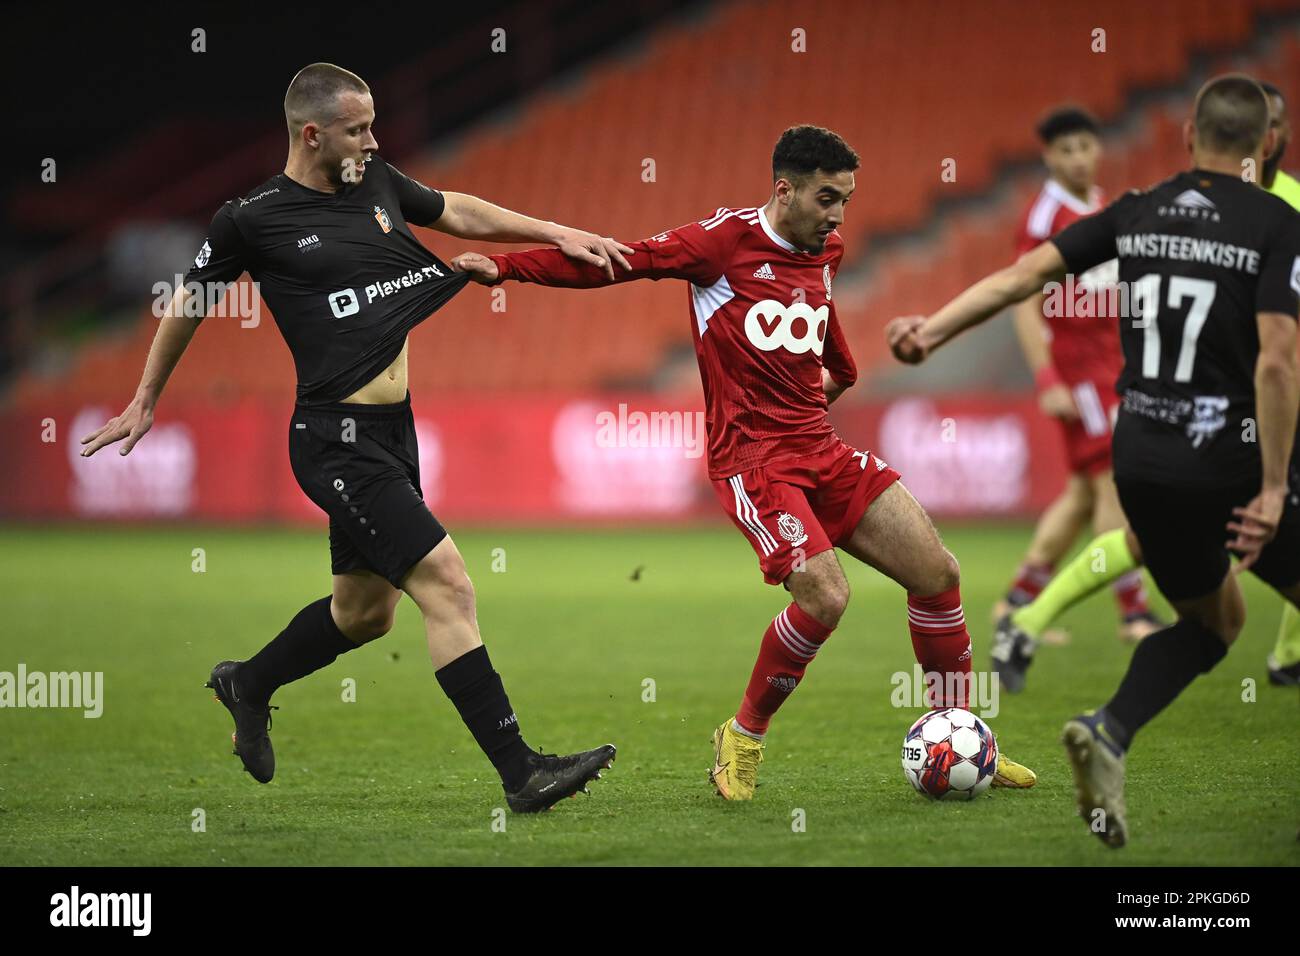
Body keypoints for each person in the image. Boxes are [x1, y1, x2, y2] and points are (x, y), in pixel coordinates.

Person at [79, 62, 630, 813]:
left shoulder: (374, 182)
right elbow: (192, 299)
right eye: (358, 128)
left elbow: (455, 210)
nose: (374, 141)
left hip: (391, 432)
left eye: (373, 125)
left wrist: (558, 231)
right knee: (450, 586)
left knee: (364, 615)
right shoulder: (251, 219)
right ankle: (520, 772)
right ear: (312, 134)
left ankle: (248, 682)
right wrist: (146, 398)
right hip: (333, 440)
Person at [452, 125, 1038, 801]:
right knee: (826, 595)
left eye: (845, 199)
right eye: (826, 197)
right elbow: (622, 262)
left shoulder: (828, 249)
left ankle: (962, 735)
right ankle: (743, 735)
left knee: (938, 574)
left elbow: (822, 323)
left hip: (819, 447)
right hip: (754, 462)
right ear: (783, 190)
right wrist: (507, 268)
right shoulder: (720, 243)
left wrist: (839, 370)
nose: (838, 215)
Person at [887, 75, 1299, 847]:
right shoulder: (1275, 222)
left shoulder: (1136, 211)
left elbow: (1020, 280)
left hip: (1141, 456)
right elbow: (1278, 361)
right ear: (1267, 145)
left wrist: (929, 332)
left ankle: (1108, 731)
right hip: (1231, 459)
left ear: (1187, 137)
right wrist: (1275, 485)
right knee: (1225, 617)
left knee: (1215, 624)